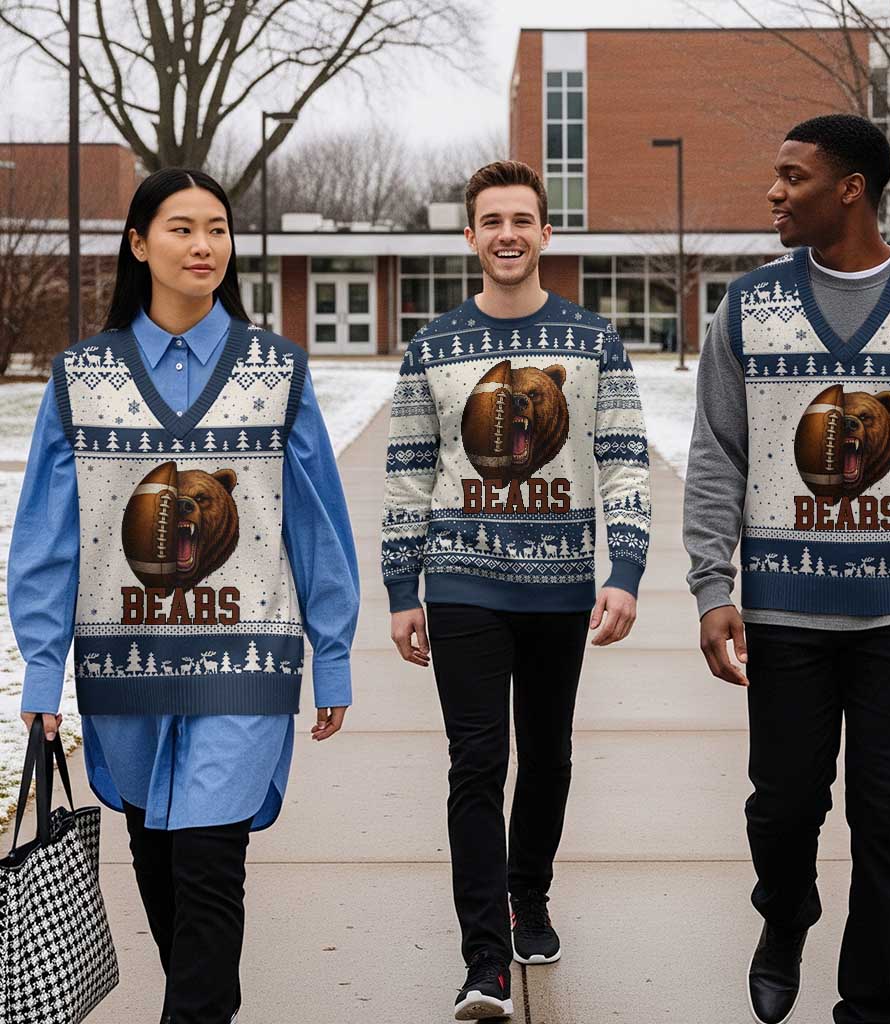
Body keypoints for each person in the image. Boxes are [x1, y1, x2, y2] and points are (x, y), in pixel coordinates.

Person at [684, 113, 890, 1024]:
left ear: (851, 189)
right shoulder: (749, 306)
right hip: (785, 611)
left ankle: (871, 1005)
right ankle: (784, 914)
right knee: (782, 810)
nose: (774, 192)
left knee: (889, 824)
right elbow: (718, 452)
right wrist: (714, 585)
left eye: (793, 176)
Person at [11, 167, 359, 1024]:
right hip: (122, 665)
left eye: (217, 229)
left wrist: (335, 654)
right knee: (159, 863)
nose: (203, 246)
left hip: (246, 660)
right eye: (181, 228)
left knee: (210, 865)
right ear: (138, 244)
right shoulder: (81, 378)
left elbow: (316, 524)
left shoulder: (277, 372)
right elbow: (47, 540)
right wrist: (43, 675)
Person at [381, 160, 652, 1021]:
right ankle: (484, 961)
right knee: (477, 761)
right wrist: (401, 587)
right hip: (462, 582)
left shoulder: (593, 341)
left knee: (549, 754)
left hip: (561, 586)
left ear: (545, 233)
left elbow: (623, 462)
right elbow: (407, 478)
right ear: (470, 236)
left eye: (522, 220)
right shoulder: (432, 348)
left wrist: (627, 570)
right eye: (491, 220)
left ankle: (527, 895)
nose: (507, 234)